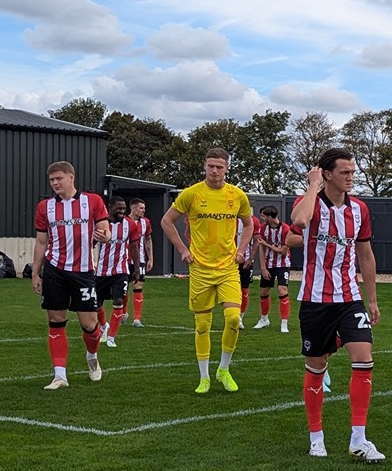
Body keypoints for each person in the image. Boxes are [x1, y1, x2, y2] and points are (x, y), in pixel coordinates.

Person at [291, 149, 385, 462]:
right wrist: (313, 185)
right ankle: (316, 437)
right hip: (315, 300)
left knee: (364, 358)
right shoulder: (310, 203)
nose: (350, 177)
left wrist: (371, 298)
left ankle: (359, 438)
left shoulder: (359, 209)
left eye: (352, 172)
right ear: (327, 174)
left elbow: (366, 255)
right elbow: (300, 221)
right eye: (344, 172)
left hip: (349, 297)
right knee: (317, 366)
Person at [161, 149, 254, 393]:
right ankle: (204, 377)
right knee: (202, 325)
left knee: (233, 318)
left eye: (219, 167)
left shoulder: (237, 195)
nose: (214, 170)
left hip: (228, 268)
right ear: (205, 166)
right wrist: (182, 249)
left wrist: (242, 249)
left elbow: (249, 224)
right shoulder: (191, 194)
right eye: (211, 166)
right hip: (200, 268)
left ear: (227, 168)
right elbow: (166, 221)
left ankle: (223, 369)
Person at [32, 161, 111, 389]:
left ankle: (92, 357)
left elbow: (105, 228)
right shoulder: (44, 207)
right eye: (52, 180)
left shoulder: (92, 201)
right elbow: (40, 241)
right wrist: (36, 273)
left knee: (89, 324)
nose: (55, 183)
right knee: (55, 321)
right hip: (54, 270)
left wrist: (105, 236)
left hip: (83, 271)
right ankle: (59, 375)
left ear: (71, 178)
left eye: (59, 179)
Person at [252, 205, 297, 332]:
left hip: (283, 265)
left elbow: (283, 251)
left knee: (282, 290)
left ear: (270, 217)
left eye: (264, 216)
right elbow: (261, 248)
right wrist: (263, 267)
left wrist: (267, 244)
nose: (262, 218)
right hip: (268, 265)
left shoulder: (285, 229)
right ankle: (264, 319)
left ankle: (284, 323)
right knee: (263, 292)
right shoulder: (263, 228)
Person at [98, 197, 133, 346]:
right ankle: (104, 326)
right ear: (110, 207)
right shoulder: (100, 223)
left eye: (124, 209)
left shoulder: (129, 224)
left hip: (121, 269)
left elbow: (135, 246)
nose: (122, 211)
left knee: (118, 300)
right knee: (96, 304)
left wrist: (136, 268)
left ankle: (112, 337)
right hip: (100, 270)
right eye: (119, 208)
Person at [125, 198, 152, 326]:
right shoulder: (123, 221)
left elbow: (147, 240)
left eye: (144, 208)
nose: (143, 211)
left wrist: (150, 258)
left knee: (138, 287)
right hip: (123, 260)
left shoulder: (145, 222)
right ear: (133, 208)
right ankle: (123, 313)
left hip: (140, 260)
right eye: (141, 208)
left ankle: (137, 319)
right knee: (122, 289)